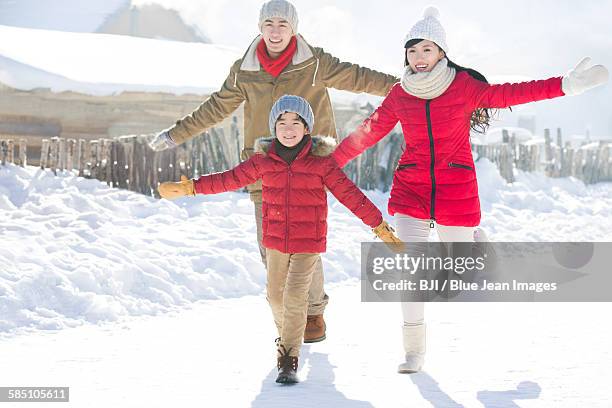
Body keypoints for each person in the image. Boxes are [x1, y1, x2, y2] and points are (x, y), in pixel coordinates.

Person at [331, 6, 609, 374]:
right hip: (411, 190)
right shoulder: (400, 94)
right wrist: (329, 163)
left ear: (442, 52)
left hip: (454, 189)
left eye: (426, 49)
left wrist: (564, 85)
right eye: (412, 51)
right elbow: (370, 130)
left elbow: (511, 94)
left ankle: (475, 240)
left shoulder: (462, 87)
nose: (419, 58)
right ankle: (414, 351)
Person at [148, 0, 399, 342]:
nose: (276, 31)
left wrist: (407, 88)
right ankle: (286, 315)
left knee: (303, 239)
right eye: (270, 24)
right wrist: (176, 134)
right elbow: (215, 109)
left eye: (283, 24)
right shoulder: (244, 71)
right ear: (260, 28)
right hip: (265, 168)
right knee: (272, 246)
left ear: (294, 28)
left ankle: (312, 313)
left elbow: (360, 78)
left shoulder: (314, 63)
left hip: (311, 165)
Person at [158, 95, 402, 383]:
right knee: (275, 296)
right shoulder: (263, 162)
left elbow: (352, 197)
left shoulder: (321, 165)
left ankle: (288, 358)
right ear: (274, 127)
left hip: (307, 242)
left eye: (295, 123)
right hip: (275, 241)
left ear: (307, 128)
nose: (288, 129)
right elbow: (229, 179)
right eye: (282, 123)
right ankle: (288, 335)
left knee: (296, 296)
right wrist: (190, 188)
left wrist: (380, 227)